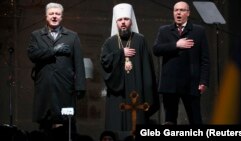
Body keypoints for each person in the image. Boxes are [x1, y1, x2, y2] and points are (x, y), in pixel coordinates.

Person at [100, 3, 158, 138]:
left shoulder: (140, 40)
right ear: (116, 22)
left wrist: (148, 94)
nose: (123, 23)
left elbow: (148, 70)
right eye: (120, 20)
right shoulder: (110, 43)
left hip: (137, 94)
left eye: (126, 19)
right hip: (117, 96)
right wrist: (121, 53)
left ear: (131, 21)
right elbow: (105, 63)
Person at [27, 2, 86, 134]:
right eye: (51, 14)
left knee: (66, 121)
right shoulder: (36, 35)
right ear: (46, 16)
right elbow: (32, 54)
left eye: (57, 14)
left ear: (62, 16)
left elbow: (79, 63)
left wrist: (80, 86)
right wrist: (53, 50)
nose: (54, 16)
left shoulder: (72, 36)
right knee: (45, 123)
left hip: (65, 85)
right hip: (45, 85)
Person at [153, 1, 210, 125]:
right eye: (176, 10)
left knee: (195, 120)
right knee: (170, 121)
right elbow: (156, 50)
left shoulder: (198, 31)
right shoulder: (164, 31)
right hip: (170, 84)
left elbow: (205, 59)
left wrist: (203, 81)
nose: (178, 13)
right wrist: (176, 45)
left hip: (191, 83)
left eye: (182, 10)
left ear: (188, 13)